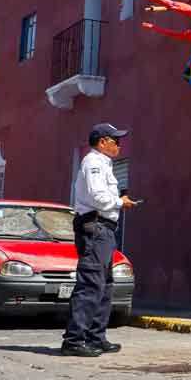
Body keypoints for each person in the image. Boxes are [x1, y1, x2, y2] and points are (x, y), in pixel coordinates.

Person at [62, 123, 136, 357]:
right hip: (94, 226)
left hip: (104, 229)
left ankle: (96, 336)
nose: (119, 145)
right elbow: (96, 196)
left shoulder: (104, 164)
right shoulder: (93, 162)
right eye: (116, 140)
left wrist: (119, 200)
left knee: (105, 285)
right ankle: (74, 340)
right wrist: (119, 202)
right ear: (102, 142)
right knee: (91, 283)